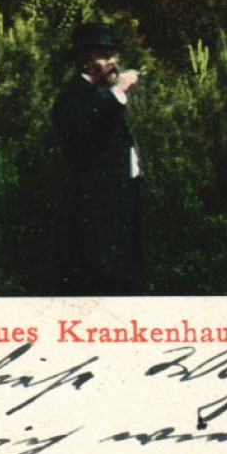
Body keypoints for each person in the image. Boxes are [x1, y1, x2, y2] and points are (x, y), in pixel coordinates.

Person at [51, 22, 144, 294]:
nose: (113, 61)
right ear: (86, 60)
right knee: (106, 279)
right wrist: (118, 93)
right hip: (99, 207)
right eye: (106, 55)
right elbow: (85, 125)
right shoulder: (73, 97)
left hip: (120, 200)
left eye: (112, 54)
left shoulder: (97, 96)